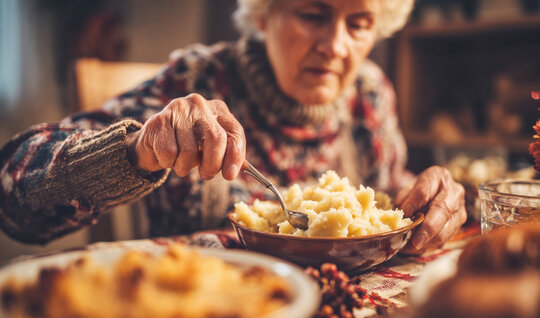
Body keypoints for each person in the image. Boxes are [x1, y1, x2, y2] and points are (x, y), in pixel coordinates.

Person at [0, 0, 466, 252]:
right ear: (264, 14)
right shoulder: (196, 80)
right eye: (312, 14)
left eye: (359, 23)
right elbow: (13, 197)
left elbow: (389, 189)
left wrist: (428, 196)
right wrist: (136, 149)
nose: (335, 46)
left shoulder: (371, 94)